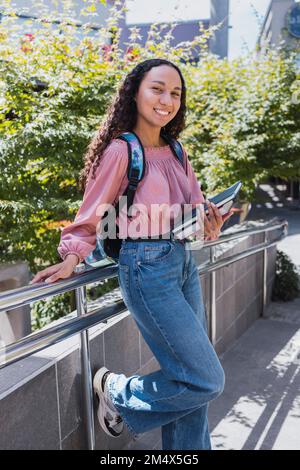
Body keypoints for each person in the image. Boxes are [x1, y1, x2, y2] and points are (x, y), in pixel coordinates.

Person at [30, 58, 233, 450]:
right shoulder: (123, 150)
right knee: (205, 379)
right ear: (135, 92)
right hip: (145, 267)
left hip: (182, 260)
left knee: (189, 386)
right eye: (157, 89)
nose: (167, 99)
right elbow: (92, 212)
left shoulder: (177, 150)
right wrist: (72, 256)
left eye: (175, 93)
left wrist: (210, 221)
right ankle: (117, 391)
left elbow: (192, 206)